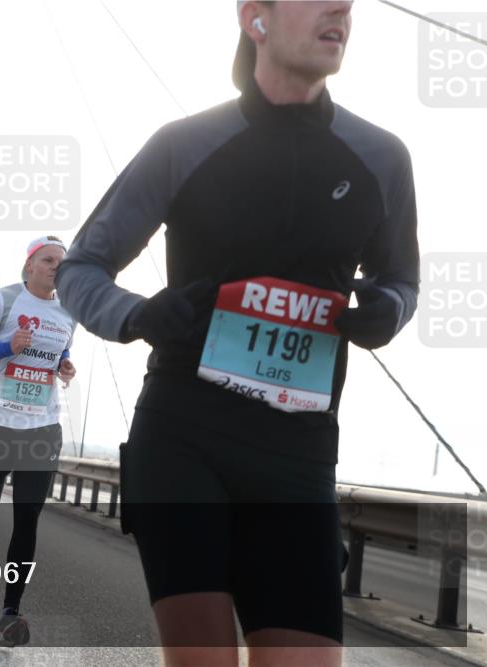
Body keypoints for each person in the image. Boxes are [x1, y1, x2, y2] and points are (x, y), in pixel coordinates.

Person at [55, 3, 418, 665]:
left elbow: (400, 280)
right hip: (184, 437)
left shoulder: (381, 156)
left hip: (298, 455)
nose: (343, 8)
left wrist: (387, 311)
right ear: (257, 18)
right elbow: (81, 266)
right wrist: (136, 314)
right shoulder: (184, 143)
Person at [0, 236, 77, 647]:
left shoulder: (68, 312)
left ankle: (10, 614)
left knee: (27, 521)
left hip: (42, 429)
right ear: (30, 265)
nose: (55, 266)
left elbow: (56, 352)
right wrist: (6, 346)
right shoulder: (3, 300)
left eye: (61, 261)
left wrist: (64, 364)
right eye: (48, 259)